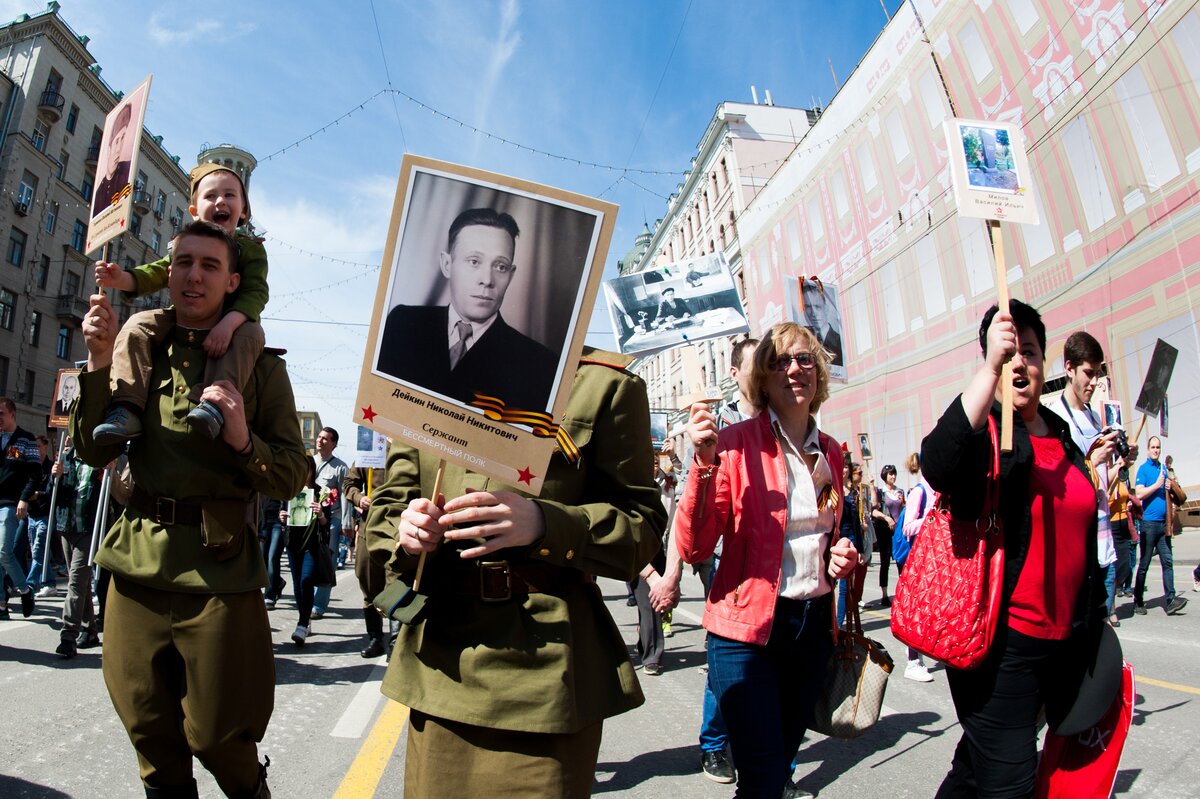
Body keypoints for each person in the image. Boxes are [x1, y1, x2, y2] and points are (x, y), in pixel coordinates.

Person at [70, 220, 309, 799]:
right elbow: (91, 447)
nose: (193, 276)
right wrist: (99, 361)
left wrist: (243, 441)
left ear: (232, 282)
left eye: (208, 266)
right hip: (137, 566)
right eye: (182, 263)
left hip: (219, 571)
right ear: (168, 273)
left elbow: (292, 474)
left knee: (220, 738)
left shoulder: (261, 366)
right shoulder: (141, 348)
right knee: (152, 737)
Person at [365, 345, 665, 799]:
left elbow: (643, 528)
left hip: (544, 670)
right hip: (443, 664)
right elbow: (390, 504)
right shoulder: (430, 379)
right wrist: (406, 530)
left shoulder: (605, 383)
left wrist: (546, 523)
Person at [922, 300, 1110, 797]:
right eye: (1008, 353)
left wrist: (1095, 618)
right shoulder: (986, 434)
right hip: (1000, 649)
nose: (1019, 363)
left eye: (1029, 351)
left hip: (1062, 643)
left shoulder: (1064, 436)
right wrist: (989, 369)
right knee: (1011, 786)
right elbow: (937, 462)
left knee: (973, 773)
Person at [675, 321, 858, 799]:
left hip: (813, 630)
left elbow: (828, 521)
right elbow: (695, 547)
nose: (793, 370)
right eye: (778, 361)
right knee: (760, 778)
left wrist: (841, 552)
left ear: (818, 371)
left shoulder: (830, 453)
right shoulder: (733, 444)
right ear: (762, 378)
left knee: (775, 772)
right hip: (746, 633)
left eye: (803, 359)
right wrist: (702, 463)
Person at [93, 163, 269, 443]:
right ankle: (126, 407)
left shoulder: (250, 250)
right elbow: (159, 271)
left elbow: (256, 293)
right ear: (194, 211)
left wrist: (228, 324)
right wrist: (123, 278)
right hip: (184, 320)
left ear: (244, 212)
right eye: (210, 196)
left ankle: (215, 404)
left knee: (252, 334)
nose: (220, 201)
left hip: (235, 327)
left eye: (230, 195)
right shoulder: (182, 245)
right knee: (139, 324)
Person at [652, 336, 758, 785]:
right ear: (734, 375)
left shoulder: (793, 430)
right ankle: (715, 743)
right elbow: (687, 517)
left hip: (771, 575)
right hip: (720, 559)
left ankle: (775, 760)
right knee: (727, 654)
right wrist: (672, 572)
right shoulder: (718, 427)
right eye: (759, 365)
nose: (772, 371)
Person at [376, 207, 557, 412]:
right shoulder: (402, 323)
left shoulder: (540, 364)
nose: (487, 280)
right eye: (474, 261)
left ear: (511, 275)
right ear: (447, 264)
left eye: (500, 266)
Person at [1048, 331, 1120, 624]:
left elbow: (1102, 486)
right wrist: (1091, 462)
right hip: (1078, 548)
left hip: (1104, 544)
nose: (1094, 382)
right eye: (1088, 373)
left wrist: (1117, 466)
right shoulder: (1055, 419)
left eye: (1098, 373)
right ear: (1069, 368)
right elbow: (1057, 486)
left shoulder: (1094, 417)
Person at [51, 442, 102, 658]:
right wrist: (55, 477)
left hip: (88, 528)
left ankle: (68, 635)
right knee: (80, 584)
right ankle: (89, 630)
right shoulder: (66, 458)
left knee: (76, 582)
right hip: (66, 526)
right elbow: (51, 494)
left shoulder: (100, 457)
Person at [1133, 436, 1188, 615]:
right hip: (1149, 525)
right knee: (1145, 564)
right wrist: (1156, 484)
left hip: (1164, 525)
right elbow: (1139, 493)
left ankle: (1171, 599)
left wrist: (1168, 485)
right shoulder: (1143, 469)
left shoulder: (1163, 468)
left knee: (1168, 561)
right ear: (1148, 450)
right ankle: (1138, 600)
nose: (1156, 450)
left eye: (1158, 447)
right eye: (1153, 447)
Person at [0, 397, 41, 620]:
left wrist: (24, 498)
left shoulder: (25, 439)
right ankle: (1, 604)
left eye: (1, 414)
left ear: (12, 414)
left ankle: (25, 590)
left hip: (10, 504)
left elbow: (35, 474)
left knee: (4, 552)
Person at [343, 464, 388, 658]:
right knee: (367, 580)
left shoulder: (413, 443)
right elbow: (349, 483)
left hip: (402, 524)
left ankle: (396, 641)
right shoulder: (371, 446)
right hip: (371, 527)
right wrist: (360, 499)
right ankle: (376, 638)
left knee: (400, 585)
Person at [899, 452, 935, 682]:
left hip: (932, 560)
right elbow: (907, 527)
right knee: (917, 613)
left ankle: (916, 650)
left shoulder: (935, 492)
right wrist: (932, 518)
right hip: (918, 560)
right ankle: (913, 662)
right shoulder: (919, 493)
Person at [285, 460, 329, 646]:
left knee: (306, 580)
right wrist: (282, 516)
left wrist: (320, 514)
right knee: (297, 584)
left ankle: (302, 625)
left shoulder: (321, 492)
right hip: (293, 542)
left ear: (312, 470)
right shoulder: (289, 490)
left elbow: (327, 523)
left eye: (307, 468)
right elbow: (282, 511)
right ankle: (305, 619)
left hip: (311, 544)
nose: (303, 472)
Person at [310, 427, 348, 619]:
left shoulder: (340, 467)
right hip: (307, 520)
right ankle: (307, 599)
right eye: (319, 437)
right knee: (308, 561)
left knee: (327, 562)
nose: (320, 440)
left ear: (333, 444)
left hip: (330, 521)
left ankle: (319, 605)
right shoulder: (309, 462)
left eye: (325, 439)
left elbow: (344, 496)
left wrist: (344, 522)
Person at [92, 101, 132, 216]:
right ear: (109, 148)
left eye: (123, 138)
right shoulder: (99, 192)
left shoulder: (126, 171)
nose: (119, 148)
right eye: (117, 141)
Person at [873, 464, 902, 608]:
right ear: (885, 476)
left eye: (894, 474)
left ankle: (904, 592)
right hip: (885, 531)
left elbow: (904, 508)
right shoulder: (880, 492)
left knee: (901, 562)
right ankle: (884, 595)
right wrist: (887, 518)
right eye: (890, 474)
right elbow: (874, 511)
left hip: (898, 531)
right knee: (885, 562)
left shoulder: (900, 491)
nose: (893, 476)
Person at [801, 280, 842, 367]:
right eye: (808, 307)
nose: (813, 313)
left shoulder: (839, 342)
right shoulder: (803, 343)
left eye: (817, 306)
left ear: (826, 308)